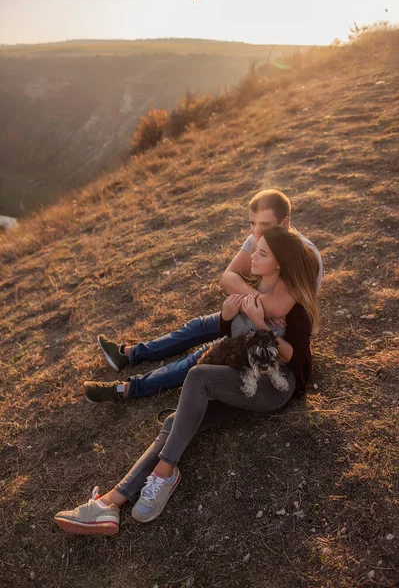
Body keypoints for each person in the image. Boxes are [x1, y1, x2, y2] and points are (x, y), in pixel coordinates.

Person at [54, 226, 319, 535]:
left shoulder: (294, 305)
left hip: (273, 387)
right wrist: (226, 316)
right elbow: (234, 334)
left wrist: (263, 327)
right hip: (239, 377)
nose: (253, 257)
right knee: (173, 424)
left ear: (279, 263)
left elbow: (296, 360)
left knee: (197, 376)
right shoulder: (256, 291)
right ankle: (110, 504)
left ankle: (164, 473)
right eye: (255, 251)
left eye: (262, 253)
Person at [83, 189, 322, 404]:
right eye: (252, 224)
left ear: (285, 222)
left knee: (201, 356)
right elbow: (227, 278)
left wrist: (250, 302)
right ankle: (131, 353)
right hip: (250, 315)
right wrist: (251, 299)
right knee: (197, 326)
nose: (256, 233)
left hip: (276, 336)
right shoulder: (260, 239)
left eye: (264, 225)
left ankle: (127, 388)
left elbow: (277, 309)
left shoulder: (304, 254)